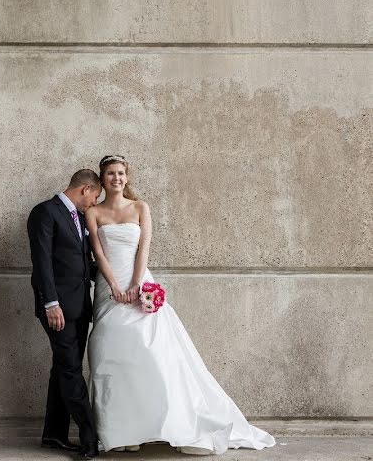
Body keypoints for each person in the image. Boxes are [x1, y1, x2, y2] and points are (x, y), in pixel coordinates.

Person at [84, 155, 276, 455]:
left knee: (152, 354)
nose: (116, 178)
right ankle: (123, 432)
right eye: (110, 174)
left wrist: (135, 285)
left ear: (127, 177)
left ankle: (165, 425)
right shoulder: (94, 212)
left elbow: (143, 248)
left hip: (138, 286)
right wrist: (115, 287)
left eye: (121, 173)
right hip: (110, 290)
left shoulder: (140, 208)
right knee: (111, 354)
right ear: (102, 177)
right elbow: (98, 253)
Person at [27, 169, 103, 458]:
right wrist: (51, 304)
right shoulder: (45, 212)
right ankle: (89, 437)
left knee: (62, 369)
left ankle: (54, 435)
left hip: (81, 307)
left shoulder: (81, 218)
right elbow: (42, 261)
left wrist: (118, 277)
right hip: (58, 309)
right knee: (71, 370)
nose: (94, 204)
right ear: (85, 189)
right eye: (95, 197)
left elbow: (84, 262)